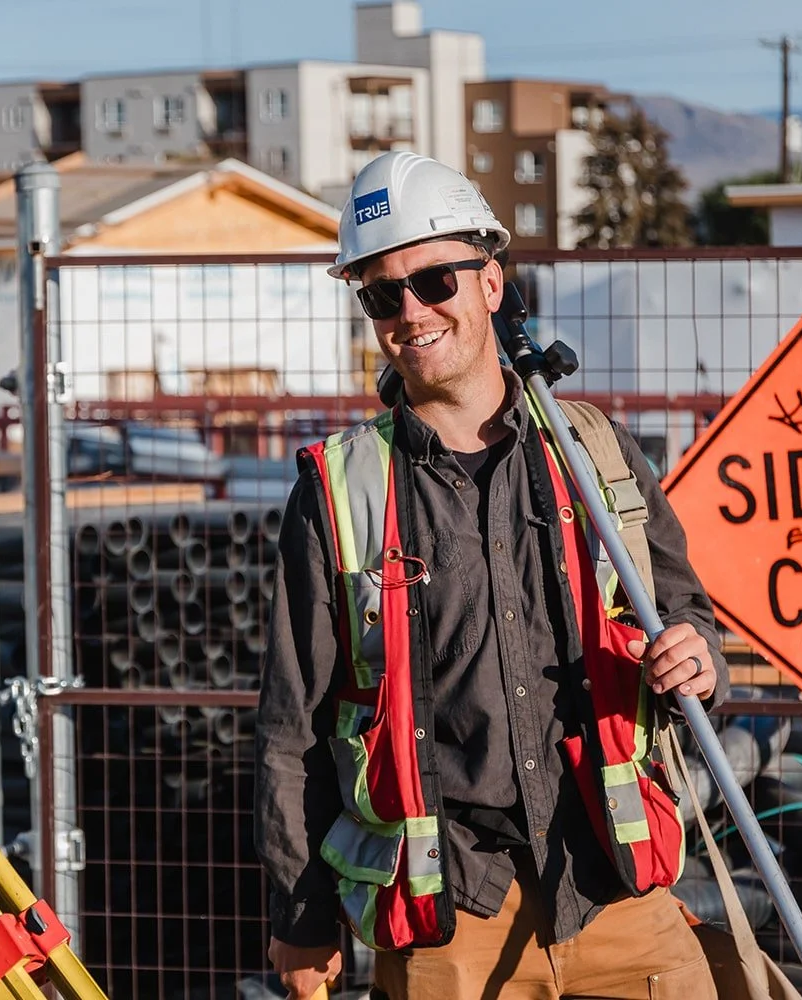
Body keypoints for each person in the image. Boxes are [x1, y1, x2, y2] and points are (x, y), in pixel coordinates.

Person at [255, 151, 727, 1000]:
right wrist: (302, 920)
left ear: (491, 283)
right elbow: (293, 730)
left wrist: (701, 655)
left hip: (617, 889)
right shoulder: (337, 492)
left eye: (435, 280)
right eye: (381, 294)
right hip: (450, 918)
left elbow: (684, 606)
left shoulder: (597, 455)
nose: (411, 311)